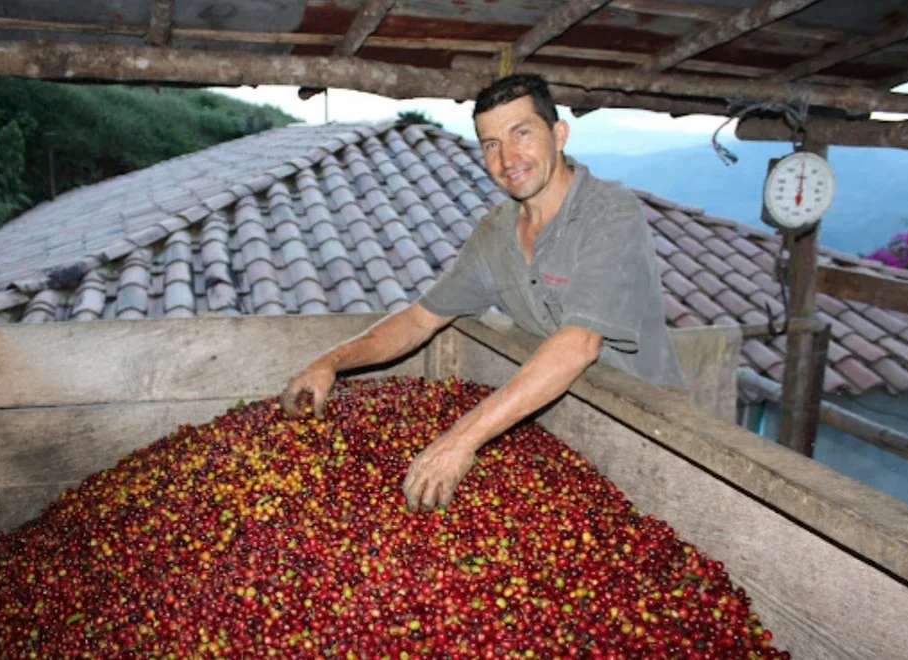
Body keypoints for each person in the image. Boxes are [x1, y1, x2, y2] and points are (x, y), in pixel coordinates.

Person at [281, 74, 684, 512]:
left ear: (559, 133)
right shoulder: (495, 233)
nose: (507, 157)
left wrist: (459, 441)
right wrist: (330, 362)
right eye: (490, 143)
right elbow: (419, 320)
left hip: (648, 436)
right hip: (559, 425)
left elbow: (577, 345)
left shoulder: (609, 213)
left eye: (521, 133)